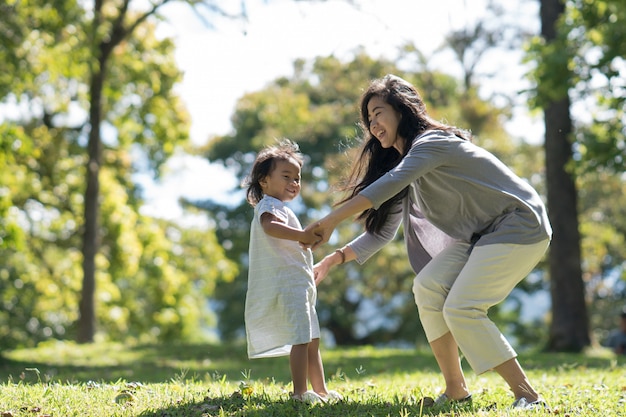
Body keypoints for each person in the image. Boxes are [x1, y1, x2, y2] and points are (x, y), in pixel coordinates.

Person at [307, 75, 552, 410]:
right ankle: (456, 389)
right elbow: (381, 231)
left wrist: (330, 220)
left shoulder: (431, 143)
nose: (373, 124)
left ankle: (527, 395)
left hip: (519, 224)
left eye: (378, 113)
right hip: (484, 235)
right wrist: (333, 259)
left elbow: (390, 183)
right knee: (428, 286)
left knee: (462, 307)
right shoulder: (408, 163)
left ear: (402, 109)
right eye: (369, 119)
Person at [243, 139, 341, 404]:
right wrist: (302, 235)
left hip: (300, 283)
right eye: (286, 176)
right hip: (288, 285)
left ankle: (320, 391)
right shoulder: (269, 206)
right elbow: (270, 227)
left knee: (312, 339)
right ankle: (299, 392)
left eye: (297, 178)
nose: (294, 182)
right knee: (300, 338)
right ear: (264, 180)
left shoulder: (282, 207)